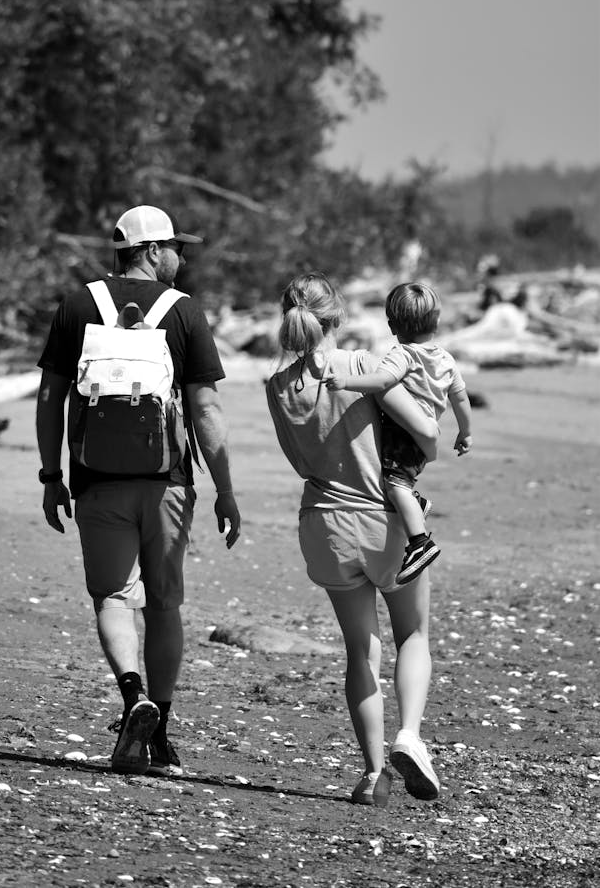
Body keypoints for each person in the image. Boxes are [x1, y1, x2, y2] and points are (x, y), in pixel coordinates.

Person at [36, 204, 241, 777]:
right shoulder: (184, 314)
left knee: (111, 598)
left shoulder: (78, 305)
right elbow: (205, 409)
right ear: (152, 251)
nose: (182, 257)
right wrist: (225, 490)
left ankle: (133, 700)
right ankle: (162, 733)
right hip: (167, 483)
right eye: (177, 247)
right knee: (166, 604)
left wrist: (51, 475)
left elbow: (51, 397)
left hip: (97, 478)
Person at [266, 273, 442, 807]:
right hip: (382, 520)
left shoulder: (277, 387)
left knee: (360, 652)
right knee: (412, 634)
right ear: (336, 317)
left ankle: (371, 775)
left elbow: (300, 461)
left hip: (323, 525)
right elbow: (429, 438)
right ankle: (409, 734)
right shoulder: (364, 366)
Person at [326, 282, 473, 584]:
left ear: (392, 326)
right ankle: (416, 505)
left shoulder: (404, 355)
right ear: (438, 321)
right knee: (402, 482)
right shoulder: (446, 359)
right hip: (422, 440)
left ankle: (419, 543)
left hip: (403, 434)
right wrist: (465, 431)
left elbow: (381, 382)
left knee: (395, 485)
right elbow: (460, 397)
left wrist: (345, 382)